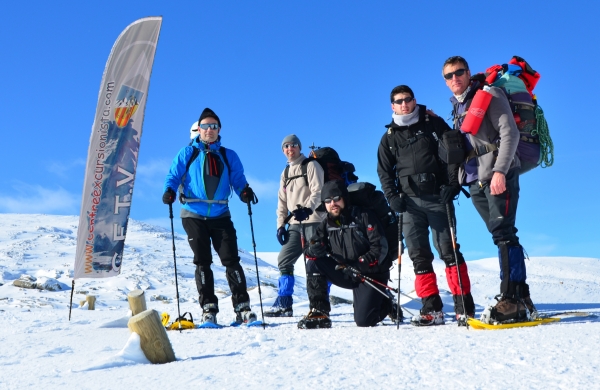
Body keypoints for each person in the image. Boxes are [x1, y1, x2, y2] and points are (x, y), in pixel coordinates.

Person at [442, 56, 536, 323]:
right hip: (475, 180)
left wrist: (500, 171)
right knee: (499, 234)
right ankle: (520, 294)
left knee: (504, 232)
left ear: (469, 73)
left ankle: (512, 301)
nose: (454, 79)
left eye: (459, 73)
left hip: (497, 174)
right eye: (448, 76)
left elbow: (510, 135)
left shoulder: (490, 94)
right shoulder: (458, 107)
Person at [377, 85, 475, 326]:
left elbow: (452, 152)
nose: (404, 104)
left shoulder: (432, 123)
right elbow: (384, 172)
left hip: (437, 197)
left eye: (407, 99)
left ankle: (464, 307)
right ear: (392, 106)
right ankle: (431, 309)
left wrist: (452, 184)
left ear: (414, 100)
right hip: (408, 203)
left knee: (449, 250)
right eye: (398, 101)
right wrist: (392, 198)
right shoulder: (389, 138)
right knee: (419, 255)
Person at [163, 107, 258, 326]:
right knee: (203, 261)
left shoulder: (228, 155)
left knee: (231, 260)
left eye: (214, 126)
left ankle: (242, 308)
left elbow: (238, 178)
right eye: (205, 126)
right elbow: (173, 175)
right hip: (193, 214)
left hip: (220, 213)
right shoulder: (188, 153)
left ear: (219, 129)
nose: (210, 130)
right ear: (199, 129)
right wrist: (169, 190)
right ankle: (209, 309)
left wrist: (244, 190)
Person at [298, 180, 398, 329]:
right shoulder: (326, 224)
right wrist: (314, 249)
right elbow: (309, 248)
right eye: (328, 200)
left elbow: (379, 248)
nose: (333, 203)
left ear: (344, 198)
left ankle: (387, 304)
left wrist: (359, 265)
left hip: (370, 274)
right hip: (346, 272)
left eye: (336, 198)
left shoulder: (363, 216)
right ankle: (320, 312)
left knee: (364, 321)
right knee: (314, 263)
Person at [266, 135, 326, 317]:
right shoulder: (284, 173)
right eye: (286, 146)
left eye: (293, 145)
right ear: (283, 150)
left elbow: (319, 190)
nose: (290, 149)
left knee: (317, 262)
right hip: (294, 224)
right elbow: (282, 202)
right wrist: (280, 225)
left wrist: (307, 209)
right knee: (284, 260)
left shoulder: (311, 165)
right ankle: (285, 303)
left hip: (314, 221)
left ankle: (321, 302)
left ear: (299, 147)